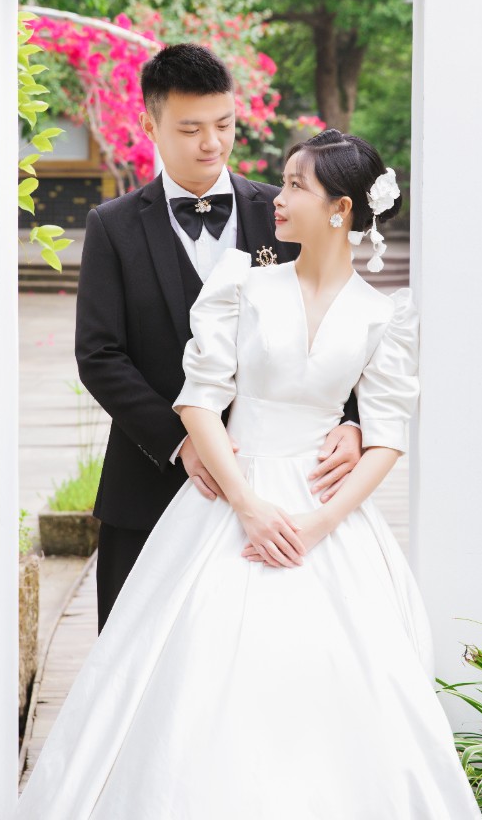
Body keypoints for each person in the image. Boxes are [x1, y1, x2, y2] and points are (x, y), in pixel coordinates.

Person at [17, 128, 482, 819]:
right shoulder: (243, 285)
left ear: (341, 210)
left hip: (328, 521)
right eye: (284, 181)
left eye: (296, 185)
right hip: (226, 505)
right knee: (198, 678)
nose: (278, 198)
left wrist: (319, 524)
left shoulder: (384, 316)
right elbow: (197, 401)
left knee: (338, 690)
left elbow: (387, 438)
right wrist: (248, 506)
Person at [75, 43, 363, 633]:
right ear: (149, 125)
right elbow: (99, 355)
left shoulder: (287, 210)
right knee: (138, 652)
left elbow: (340, 317)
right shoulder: (113, 226)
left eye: (225, 124)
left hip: (282, 487)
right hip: (150, 486)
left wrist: (354, 422)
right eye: (191, 129)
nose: (212, 143)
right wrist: (182, 442)